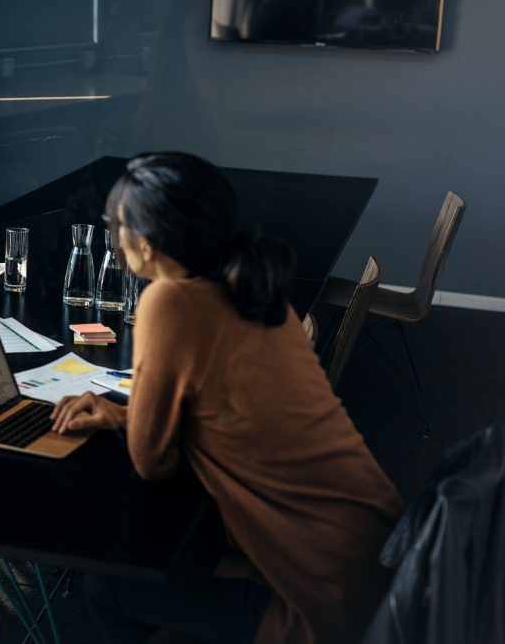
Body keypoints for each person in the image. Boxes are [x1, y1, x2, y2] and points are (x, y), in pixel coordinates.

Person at [51, 153, 404, 644]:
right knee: (183, 545)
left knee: (108, 586)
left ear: (146, 243)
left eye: (116, 225)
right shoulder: (254, 287)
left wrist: (129, 420)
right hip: (378, 551)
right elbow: (221, 404)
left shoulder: (168, 300)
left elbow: (153, 460)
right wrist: (120, 412)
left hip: (321, 597)